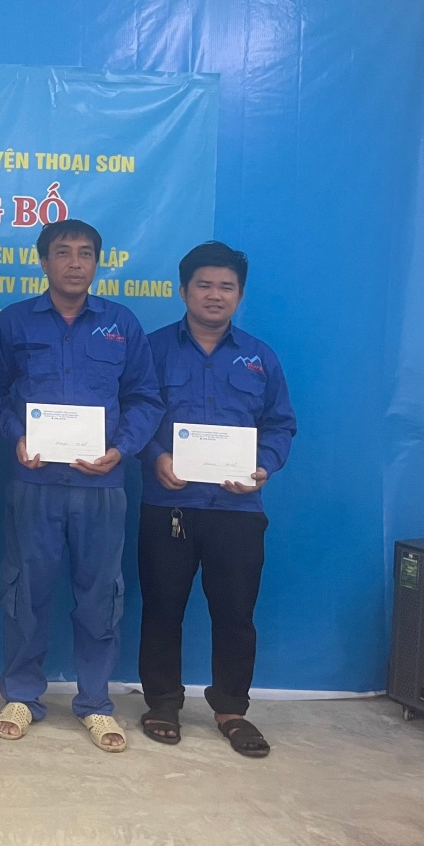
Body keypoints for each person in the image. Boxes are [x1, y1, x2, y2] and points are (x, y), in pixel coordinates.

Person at [0, 218, 162, 753]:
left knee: (100, 597)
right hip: (34, 482)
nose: (74, 263)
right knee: (26, 593)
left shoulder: (121, 324)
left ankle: (95, 703)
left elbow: (145, 398)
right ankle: (22, 695)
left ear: (96, 263)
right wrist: (17, 436)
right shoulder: (14, 322)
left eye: (85, 253)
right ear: (44, 262)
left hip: (102, 485)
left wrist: (121, 449)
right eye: (63, 253)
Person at [136, 241, 296, 758]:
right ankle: (162, 702)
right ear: (183, 290)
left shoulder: (260, 357)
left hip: (237, 510)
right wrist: (156, 456)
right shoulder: (152, 350)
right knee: (162, 609)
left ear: (239, 295)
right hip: (169, 505)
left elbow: (280, 424)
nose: (214, 294)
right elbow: (134, 413)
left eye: (226, 287)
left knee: (235, 614)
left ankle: (231, 710)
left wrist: (263, 467)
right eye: (203, 284)